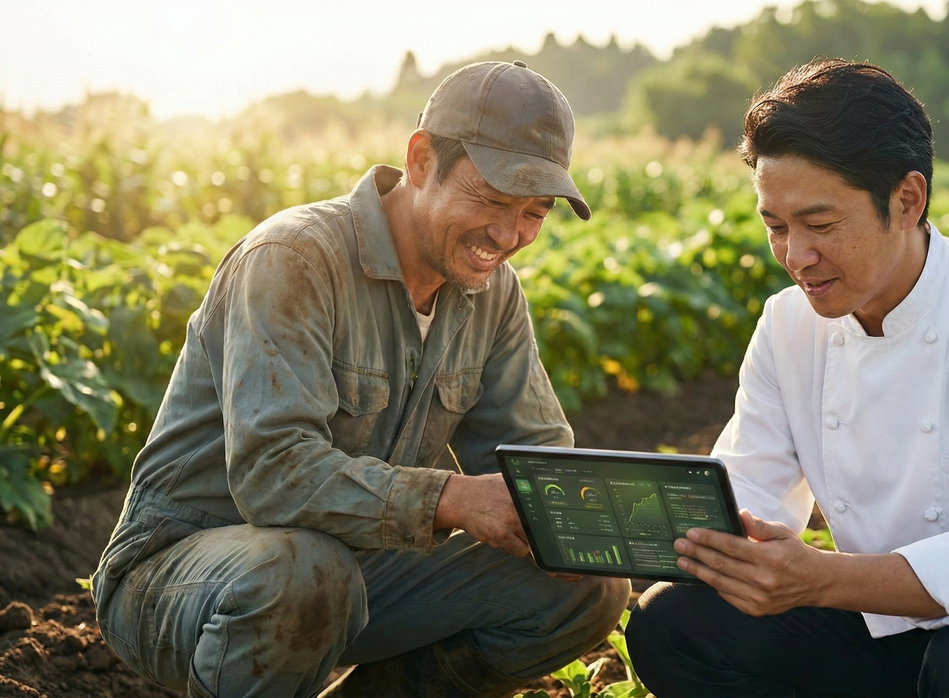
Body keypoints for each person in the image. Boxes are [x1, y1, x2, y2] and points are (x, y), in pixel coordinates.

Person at [90, 61, 629, 698]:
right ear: (421, 161)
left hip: (355, 569)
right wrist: (452, 499)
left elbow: (537, 465)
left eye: (535, 213)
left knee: (586, 585)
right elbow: (272, 473)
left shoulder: (493, 294)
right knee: (303, 572)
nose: (509, 235)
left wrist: (647, 529)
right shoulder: (293, 258)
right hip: (187, 577)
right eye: (491, 200)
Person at [624, 59, 949, 698]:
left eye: (820, 225)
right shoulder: (787, 325)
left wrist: (819, 576)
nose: (796, 256)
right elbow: (747, 493)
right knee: (675, 622)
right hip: (890, 627)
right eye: (776, 226)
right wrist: (632, 541)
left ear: (907, 200)